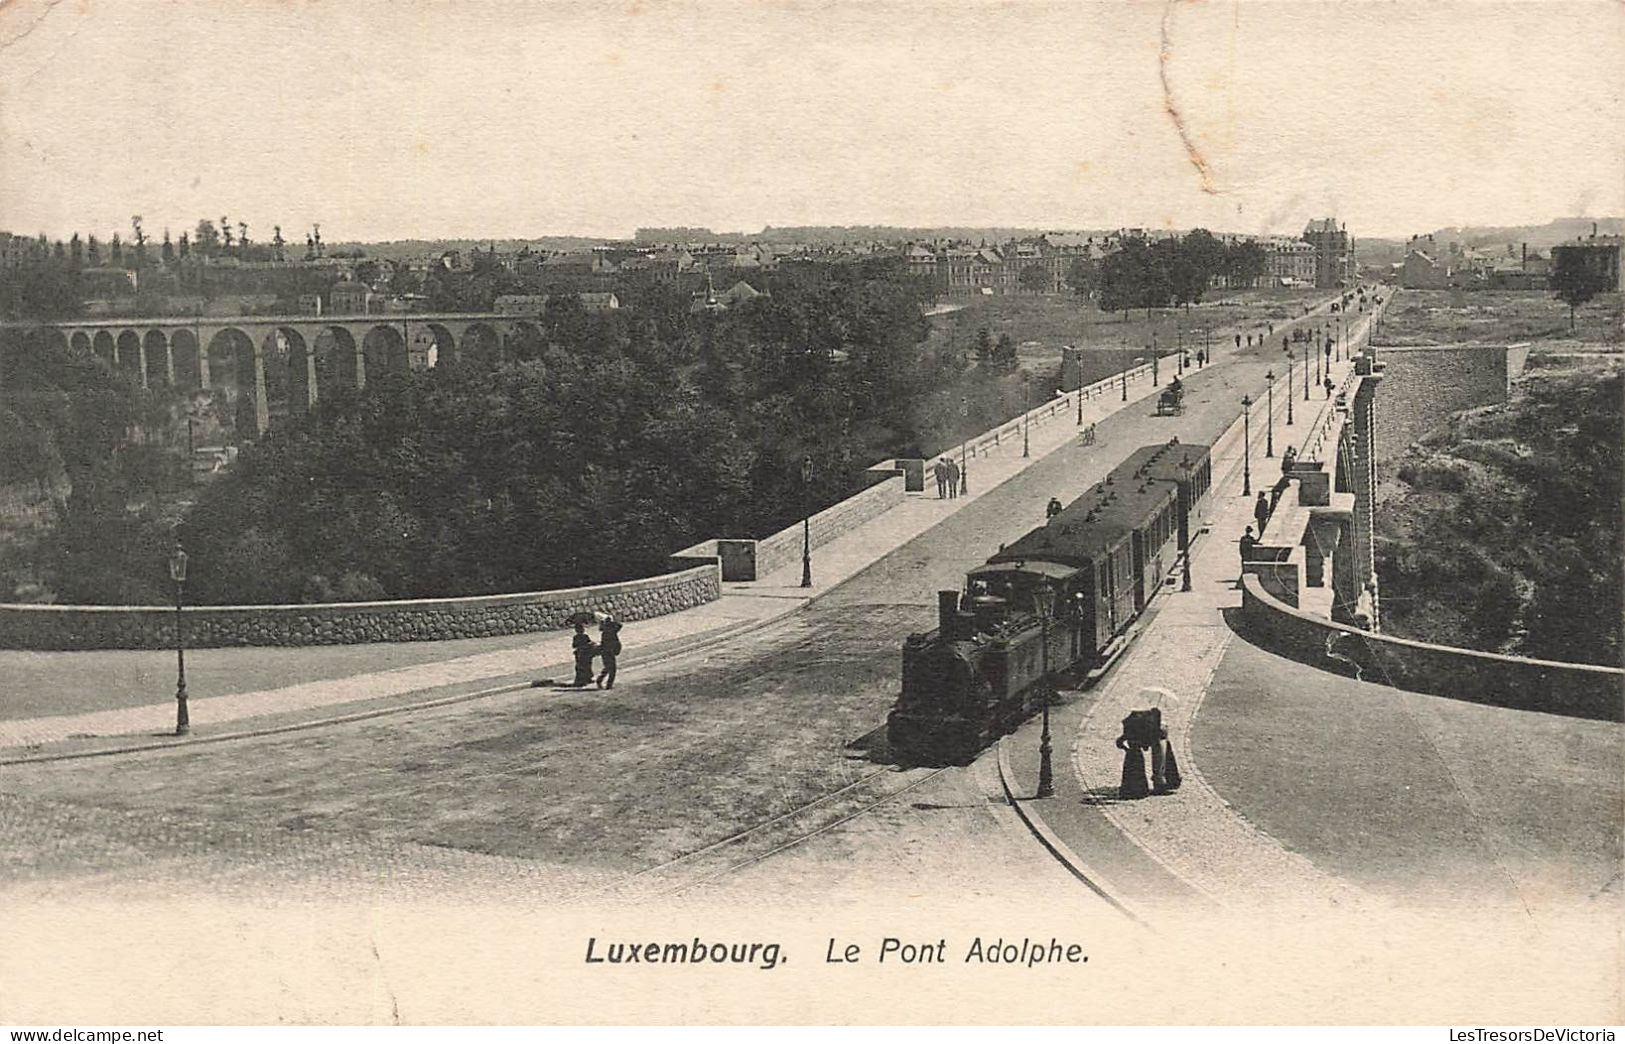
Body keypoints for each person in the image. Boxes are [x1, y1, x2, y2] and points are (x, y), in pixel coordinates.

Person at [596, 615, 622, 689]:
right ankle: (608, 684)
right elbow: (619, 625)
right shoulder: (611, 631)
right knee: (612, 669)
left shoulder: (605, 631)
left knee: (607, 667)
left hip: (605, 652)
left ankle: (600, 680)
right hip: (609, 652)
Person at [570, 622, 597, 687]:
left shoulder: (576, 637)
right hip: (585, 653)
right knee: (586, 666)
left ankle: (583, 679)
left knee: (581, 666)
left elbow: (574, 645)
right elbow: (588, 643)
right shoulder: (585, 636)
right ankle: (585, 679)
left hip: (580, 653)